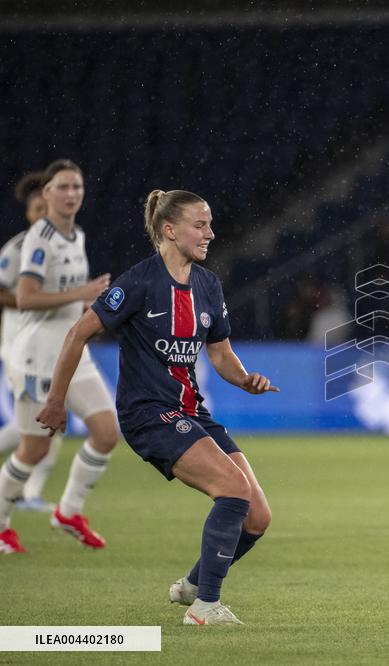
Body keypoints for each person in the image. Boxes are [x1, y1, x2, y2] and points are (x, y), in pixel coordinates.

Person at [36, 189, 277, 625]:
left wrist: (244, 379)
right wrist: (56, 400)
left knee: (257, 517)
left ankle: (189, 587)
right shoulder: (139, 282)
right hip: (148, 414)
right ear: (170, 230)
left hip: (192, 413)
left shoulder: (207, 284)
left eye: (210, 224)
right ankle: (205, 608)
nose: (211, 233)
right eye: (200, 225)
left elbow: (220, 353)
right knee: (233, 491)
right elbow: (77, 334)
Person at [0, 159, 117, 554]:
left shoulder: (77, 236)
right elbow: (26, 298)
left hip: (72, 353)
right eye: (63, 187)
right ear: (46, 193)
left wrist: (88, 314)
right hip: (37, 359)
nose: (71, 194)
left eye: (77, 187)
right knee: (33, 448)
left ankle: (69, 511)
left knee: (106, 431)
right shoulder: (38, 239)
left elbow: (74, 301)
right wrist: (81, 294)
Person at [0, 171, 64, 511]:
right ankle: (23, 492)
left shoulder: (65, 249)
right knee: (36, 422)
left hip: (49, 347)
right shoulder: (18, 249)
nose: (42, 214)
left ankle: (31, 494)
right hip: (19, 347)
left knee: (53, 418)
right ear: (29, 213)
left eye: (47, 208)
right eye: (37, 209)